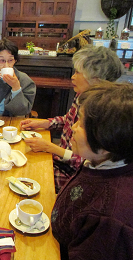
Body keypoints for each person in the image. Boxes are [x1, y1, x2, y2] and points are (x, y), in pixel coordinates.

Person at [20, 45, 123, 192]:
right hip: (60, 161)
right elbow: (68, 119)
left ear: (96, 80)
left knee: (24, 175)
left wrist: (51, 148)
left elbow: (88, 163)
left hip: (74, 175)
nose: (72, 76)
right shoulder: (81, 95)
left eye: (78, 72)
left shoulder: (104, 114)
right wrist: (43, 123)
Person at [51, 81, 133, 260]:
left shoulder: (108, 218)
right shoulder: (100, 162)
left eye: (81, 124)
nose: (73, 127)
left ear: (106, 142)